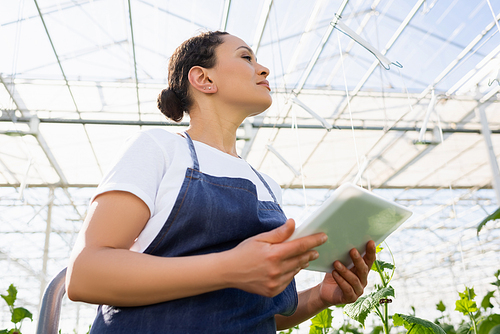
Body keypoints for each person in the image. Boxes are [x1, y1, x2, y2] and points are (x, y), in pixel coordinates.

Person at [66, 30, 376, 333]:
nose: (264, 68)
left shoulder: (267, 185)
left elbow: (255, 313)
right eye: (246, 58)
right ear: (204, 79)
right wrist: (229, 268)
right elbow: (85, 275)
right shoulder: (160, 148)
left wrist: (320, 297)